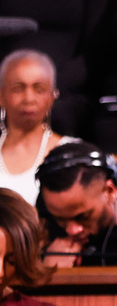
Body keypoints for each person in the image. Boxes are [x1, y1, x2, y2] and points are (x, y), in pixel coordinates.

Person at [0, 0, 110, 136]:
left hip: (66, 90)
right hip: (8, 87)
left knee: (58, 112)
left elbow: (96, 50)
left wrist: (45, 88)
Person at [35, 141, 117, 267]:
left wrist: (56, 277)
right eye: (59, 219)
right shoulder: (45, 216)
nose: (72, 230)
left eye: (83, 217)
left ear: (109, 191)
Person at [0, 51, 76, 206]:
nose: (29, 98)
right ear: (1, 96)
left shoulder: (72, 154)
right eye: (18, 88)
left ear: (52, 96)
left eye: (39, 89)